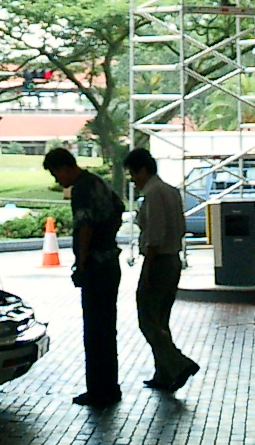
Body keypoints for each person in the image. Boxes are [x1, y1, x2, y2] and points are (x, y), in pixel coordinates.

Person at [43, 147, 123, 407]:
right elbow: (119, 208)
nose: (57, 180)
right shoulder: (98, 182)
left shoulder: (81, 189)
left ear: (64, 168)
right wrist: (107, 237)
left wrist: (82, 261)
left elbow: (84, 225)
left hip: (95, 268)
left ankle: (98, 390)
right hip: (110, 262)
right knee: (107, 328)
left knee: (94, 330)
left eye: (56, 174)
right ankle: (110, 386)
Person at [125, 148, 199, 393]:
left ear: (143, 170)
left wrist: (147, 270)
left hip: (158, 262)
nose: (133, 180)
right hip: (173, 260)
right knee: (161, 320)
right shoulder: (171, 191)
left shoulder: (153, 193)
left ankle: (178, 364)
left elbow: (154, 236)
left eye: (133, 174)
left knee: (148, 320)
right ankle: (163, 373)